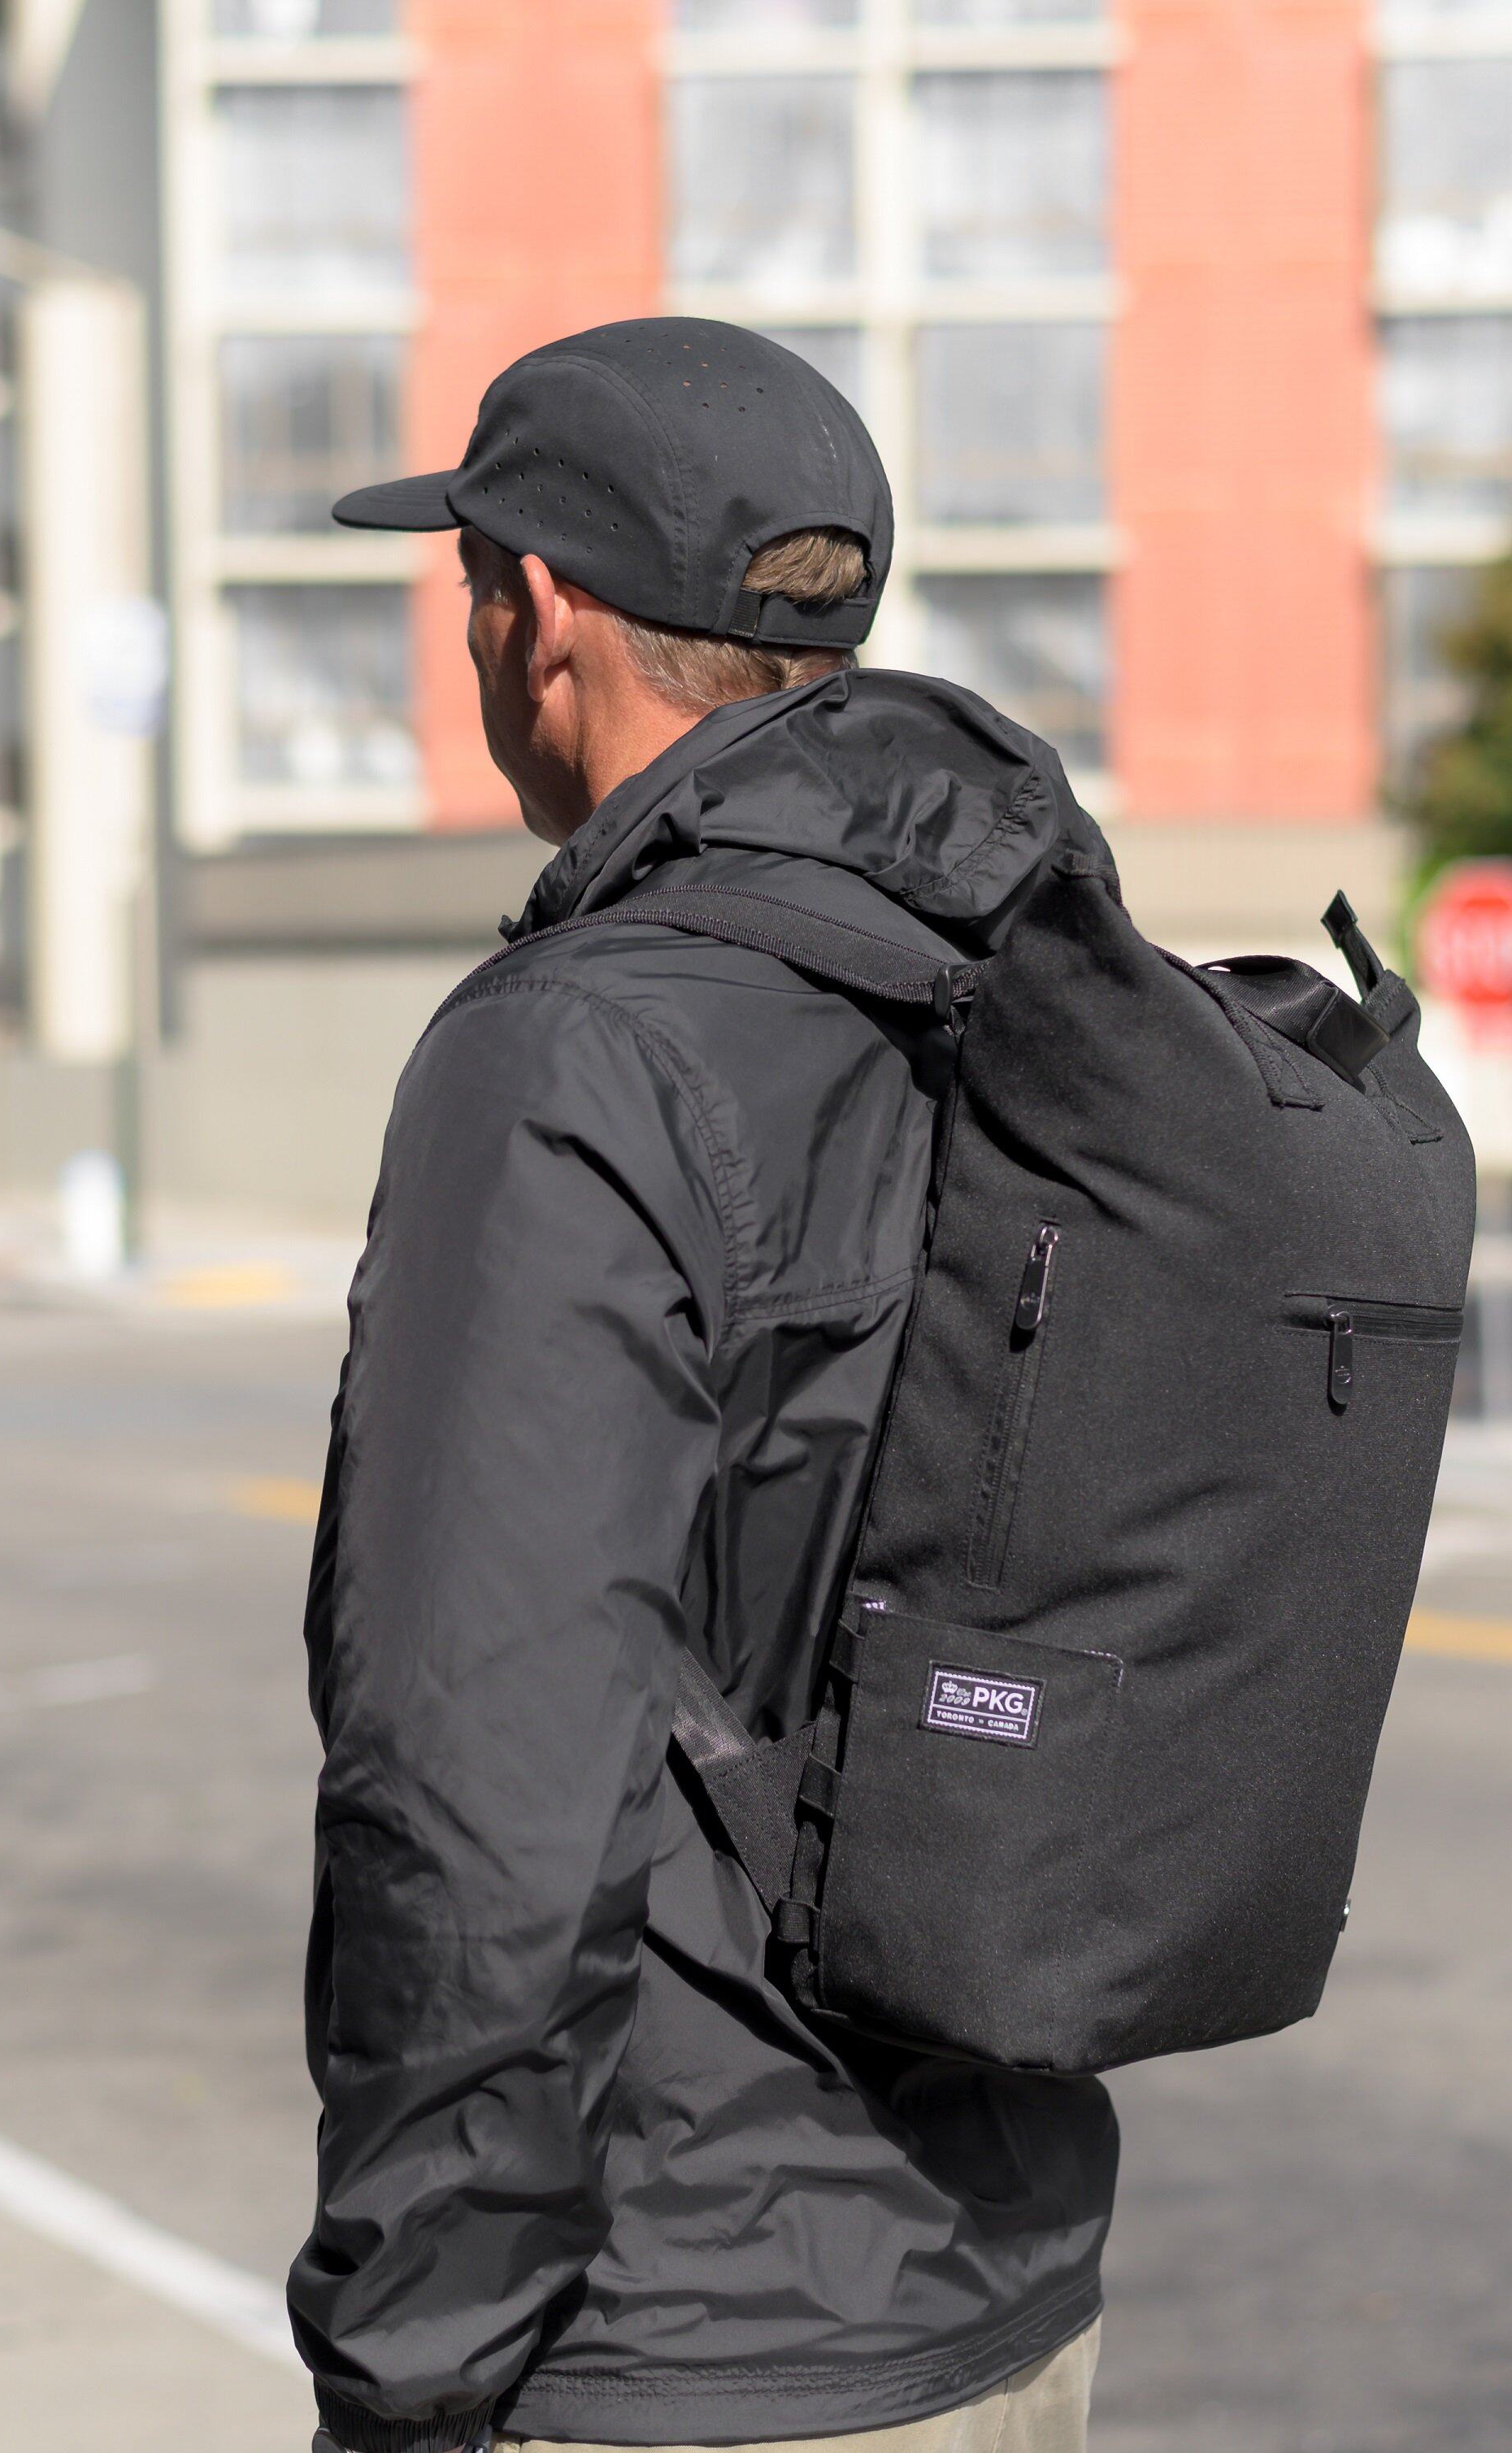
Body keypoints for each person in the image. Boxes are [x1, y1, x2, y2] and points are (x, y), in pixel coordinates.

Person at [295, 320, 1117, 2453]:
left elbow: (484, 1772)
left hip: (683, 2333)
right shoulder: (1021, 975)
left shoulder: (576, 1050)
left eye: (468, 589)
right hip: (1008, 2288)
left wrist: (411, 2379)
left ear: (541, 611)